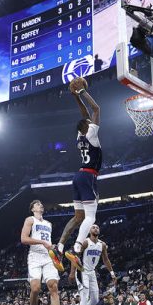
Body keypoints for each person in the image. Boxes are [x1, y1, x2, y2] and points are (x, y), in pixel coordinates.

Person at [56, 79, 101, 272]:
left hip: (78, 176)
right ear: (88, 126)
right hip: (88, 176)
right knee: (90, 217)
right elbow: (96, 109)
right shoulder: (92, 134)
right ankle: (75, 249)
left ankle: (59, 247)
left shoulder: (80, 135)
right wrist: (81, 91)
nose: (91, 120)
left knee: (78, 217)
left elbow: (85, 115)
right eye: (90, 122)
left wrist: (75, 98)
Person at [20, 200, 67, 305]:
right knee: (35, 288)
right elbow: (23, 239)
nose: (40, 205)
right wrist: (42, 242)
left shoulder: (48, 224)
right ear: (32, 208)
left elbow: (49, 243)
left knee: (53, 286)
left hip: (48, 257)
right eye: (37, 204)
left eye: (41, 204)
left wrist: (56, 250)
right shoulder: (30, 220)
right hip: (35, 256)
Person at [69, 224, 113, 305]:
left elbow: (106, 260)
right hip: (82, 271)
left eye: (97, 227)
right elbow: (75, 256)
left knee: (95, 299)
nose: (96, 228)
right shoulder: (85, 242)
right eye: (93, 227)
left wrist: (112, 273)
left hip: (92, 272)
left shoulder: (102, 245)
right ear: (89, 231)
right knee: (84, 297)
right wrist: (72, 273)